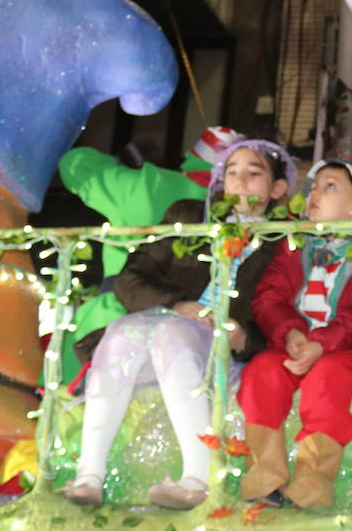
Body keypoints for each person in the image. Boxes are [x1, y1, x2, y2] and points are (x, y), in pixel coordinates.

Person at [61, 139, 292, 509]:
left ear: (277, 189)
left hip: (217, 351)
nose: (240, 181)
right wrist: (177, 304)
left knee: (171, 333)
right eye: (231, 171)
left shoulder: (285, 241)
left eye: (254, 173)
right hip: (160, 333)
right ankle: (89, 476)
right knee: (123, 331)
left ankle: (197, 479)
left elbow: (284, 312)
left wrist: (245, 337)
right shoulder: (189, 217)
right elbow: (130, 280)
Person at [236, 159, 352, 508]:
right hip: (295, 342)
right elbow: (269, 297)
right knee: (261, 372)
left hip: (348, 350)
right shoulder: (295, 246)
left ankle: (313, 482)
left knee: (327, 380)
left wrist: (323, 343)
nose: (315, 193)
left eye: (329, 186)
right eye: (313, 187)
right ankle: (264, 476)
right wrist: (290, 332)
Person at [57, 125, 240, 385]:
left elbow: (74, 165)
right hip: (201, 335)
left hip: (116, 315)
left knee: (79, 398)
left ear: (193, 156)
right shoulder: (243, 213)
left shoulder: (147, 185)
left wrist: (119, 166)